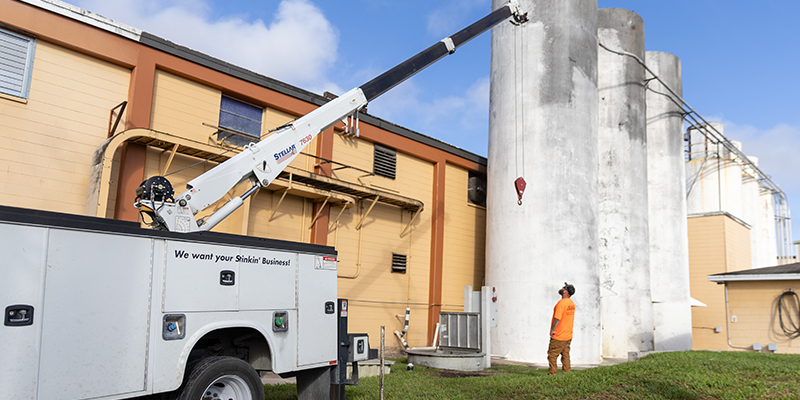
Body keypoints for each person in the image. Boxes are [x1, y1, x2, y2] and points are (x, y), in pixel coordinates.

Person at [547, 282, 575, 375]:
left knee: (552, 356)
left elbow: (557, 318)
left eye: (564, 288)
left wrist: (552, 330)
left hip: (559, 335)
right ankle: (567, 373)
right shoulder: (571, 304)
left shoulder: (561, 303)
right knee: (565, 355)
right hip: (568, 335)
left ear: (565, 292)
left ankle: (552, 374)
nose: (562, 288)